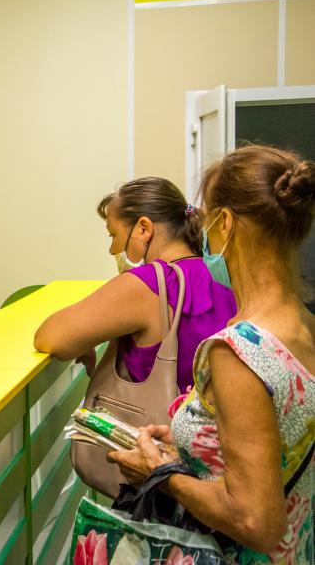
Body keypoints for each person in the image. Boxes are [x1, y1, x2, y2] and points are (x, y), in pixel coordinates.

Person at [110, 145, 315, 561]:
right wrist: (194, 440)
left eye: (206, 220)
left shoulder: (237, 350)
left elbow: (257, 522)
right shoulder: (305, 323)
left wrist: (159, 474)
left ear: (224, 223)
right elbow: (284, 433)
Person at [34, 177, 236, 393]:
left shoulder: (148, 283)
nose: (112, 249)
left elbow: (49, 337)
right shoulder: (221, 276)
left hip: (157, 415)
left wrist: (85, 339)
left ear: (143, 229)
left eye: (114, 235)